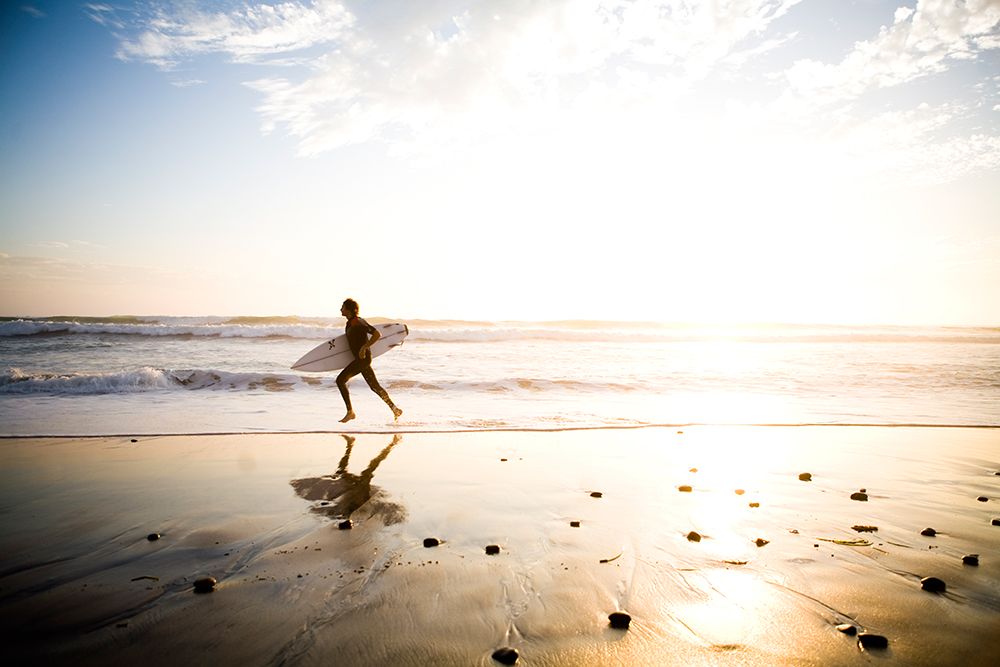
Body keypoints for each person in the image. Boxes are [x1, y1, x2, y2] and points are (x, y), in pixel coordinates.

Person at [336, 298, 402, 423]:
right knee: (375, 387)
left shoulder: (357, 322)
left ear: (349, 309)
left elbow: (377, 334)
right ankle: (395, 409)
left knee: (340, 380)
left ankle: (350, 412)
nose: (341, 309)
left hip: (363, 360)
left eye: (343, 307)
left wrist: (364, 348)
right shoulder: (351, 323)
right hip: (362, 360)